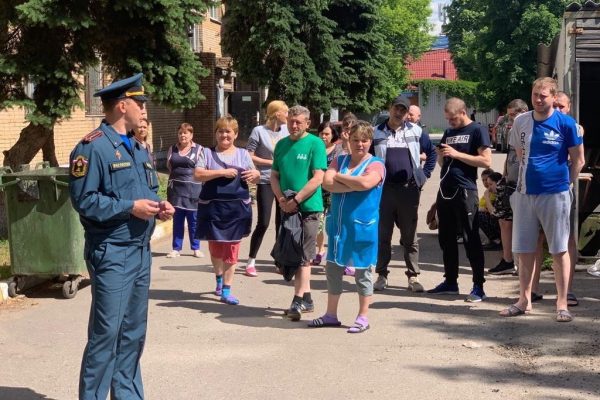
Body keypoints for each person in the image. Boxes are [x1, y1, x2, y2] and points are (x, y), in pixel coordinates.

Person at [69, 73, 175, 400]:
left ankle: (128, 395)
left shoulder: (136, 146)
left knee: (132, 334)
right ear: (120, 105)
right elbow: (84, 200)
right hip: (112, 251)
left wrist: (159, 206)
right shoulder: (92, 148)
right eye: (139, 103)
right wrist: (131, 207)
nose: (144, 109)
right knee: (106, 335)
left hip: (140, 251)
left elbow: (143, 191)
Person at [500, 77, 584, 322]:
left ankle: (561, 303)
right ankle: (524, 300)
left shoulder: (566, 124)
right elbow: (520, 153)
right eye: (535, 94)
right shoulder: (521, 121)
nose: (538, 99)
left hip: (555, 194)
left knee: (559, 248)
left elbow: (578, 161)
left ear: (553, 97)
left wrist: (563, 183)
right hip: (525, 193)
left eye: (543, 96)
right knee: (524, 249)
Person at [308, 121, 385, 333]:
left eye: (364, 140)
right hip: (338, 227)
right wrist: (353, 181)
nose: (360, 144)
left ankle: (363, 317)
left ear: (370, 142)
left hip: (363, 228)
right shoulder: (340, 159)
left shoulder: (377, 163)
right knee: (333, 269)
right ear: (348, 141)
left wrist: (343, 179)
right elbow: (326, 182)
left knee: (363, 273)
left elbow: (366, 184)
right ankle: (331, 315)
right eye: (355, 140)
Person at [427, 97, 491, 302]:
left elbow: (486, 160)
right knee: (446, 238)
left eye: (453, 119)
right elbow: (444, 163)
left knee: (470, 237)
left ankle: (478, 286)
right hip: (446, 190)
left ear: (463, 112)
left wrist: (456, 153)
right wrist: (441, 155)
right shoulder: (449, 132)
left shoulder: (477, 130)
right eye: (448, 119)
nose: (450, 123)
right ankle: (450, 281)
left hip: (465, 190)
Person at [372, 96, 436, 292]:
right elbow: (366, 155)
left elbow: (432, 153)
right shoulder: (377, 132)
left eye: (403, 110)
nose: (399, 113)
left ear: (407, 113)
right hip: (384, 190)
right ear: (389, 108)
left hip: (409, 190)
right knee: (384, 235)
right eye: (396, 108)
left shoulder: (416, 131)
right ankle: (382, 275)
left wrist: (423, 175)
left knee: (409, 235)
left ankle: (413, 277)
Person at [194, 116, 260, 305]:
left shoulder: (243, 155)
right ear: (215, 134)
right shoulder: (206, 153)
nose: (224, 135)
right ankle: (219, 279)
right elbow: (198, 174)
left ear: (235, 134)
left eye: (228, 131)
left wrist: (254, 174)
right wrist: (221, 172)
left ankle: (227, 290)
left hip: (236, 209)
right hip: (212, 208)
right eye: (221, 131)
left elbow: (255, 177)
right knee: (216, 248)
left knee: (232, 247)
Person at [271, 105, 327, 321]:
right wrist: (282, 199)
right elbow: (274, 175)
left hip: (308, 208)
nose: (294, 125)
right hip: (287, 207)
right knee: (290, 252)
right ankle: (308, 299)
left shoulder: (315, 144)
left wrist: (296, 199)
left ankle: (297, 301)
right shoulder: (282, 145)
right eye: (291, 121)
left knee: (304, 256)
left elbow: (317, 177)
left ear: (307, 123)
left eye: (298, 122)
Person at [530, 91, 585, 306]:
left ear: (569, 107)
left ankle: (566, 292)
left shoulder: (572, 126)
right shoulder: (538, 122)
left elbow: (578, 160)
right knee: (535, 240)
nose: (560, 109)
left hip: (560, 191)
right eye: (557, 105)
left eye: (563, 106)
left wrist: (568, 183)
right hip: (536, 191)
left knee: (564, 242)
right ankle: (532, 289)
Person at [245, 100, 289, 276]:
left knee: (282, 223)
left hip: (284, 180)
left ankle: (279, 260)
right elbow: (249, 155)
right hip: (265, 180)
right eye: (285, 112)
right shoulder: (259, 131)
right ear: (277, 113)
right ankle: (251, 261)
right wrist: (271, 162)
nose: (288, 115)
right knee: (263, 222)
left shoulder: (286, 131)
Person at [488, 99, 529, 275]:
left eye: (513, 115)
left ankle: (522, 265)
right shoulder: (514, 129)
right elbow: (510, 154)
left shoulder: (529, 127)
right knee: (504, 221)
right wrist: (504, 175)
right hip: (510, 181)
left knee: (522, 225)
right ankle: (507, 260)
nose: (510, 119)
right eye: (509, 115)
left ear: (523, 111)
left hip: (524, 185)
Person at [165, 123, 204, 259]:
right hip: (176, 190)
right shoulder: (172, 148)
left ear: (191, 135)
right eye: (180, 133)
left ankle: (196, 248)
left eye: (186, 133)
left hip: (193, 190)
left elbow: (201, 169)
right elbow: (169, 166)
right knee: (177, 220)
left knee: (194, 220)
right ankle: (176, 248)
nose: (183, 135)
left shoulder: (199, 149)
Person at [312, 121, 343, 267]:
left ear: (333, 135)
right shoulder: (315, 148)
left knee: (332, 225)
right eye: (321, 133)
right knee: (318, 223)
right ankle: (320, 251)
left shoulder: (339, 150)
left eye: (326, 134)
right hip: (317, 191)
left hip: (333, 192)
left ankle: (334, 252)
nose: (323, 136)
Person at [478, 169, 501, 249]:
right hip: (493, 220)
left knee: (478, 215)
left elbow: (493, 212)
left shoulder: (497, 194)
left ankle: (496, 240)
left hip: (498, 223)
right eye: (483, 180)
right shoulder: (489, 192)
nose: (486, 183)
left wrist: (487, 197)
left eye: (489, 183)